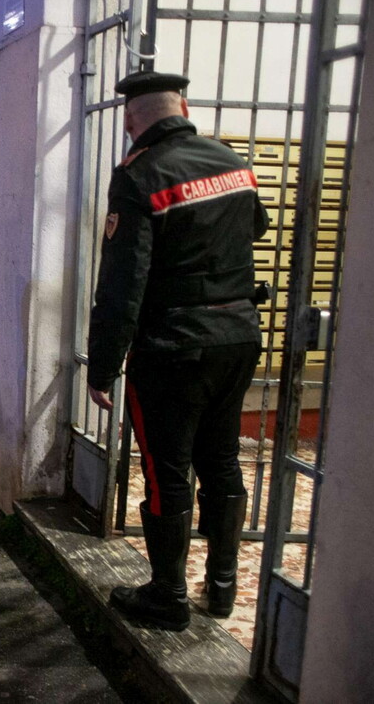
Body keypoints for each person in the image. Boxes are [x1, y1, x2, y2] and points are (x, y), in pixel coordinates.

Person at [87, 71, 270, 632]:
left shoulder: (139, 176)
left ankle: (167, 595)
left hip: (173, 348)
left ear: (129, 120)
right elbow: (256, 226)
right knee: (220, 460)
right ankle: (221, 586)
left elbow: (125, 282)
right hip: (237, 337)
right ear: (182, 107)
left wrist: (103, 363)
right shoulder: (232, 161)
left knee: (168, 470)